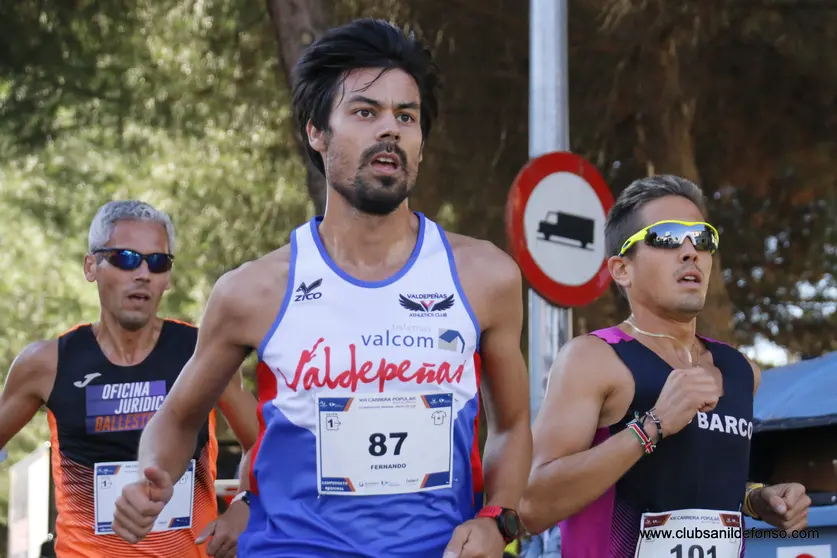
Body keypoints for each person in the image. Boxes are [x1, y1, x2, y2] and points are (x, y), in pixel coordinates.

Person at [111, 17, 533, 558]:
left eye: (407, 116)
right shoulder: (254, 291)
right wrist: (153, 477)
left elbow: (513, 426)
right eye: (365, 112)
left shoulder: (485, 277)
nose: (390, 129)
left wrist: (497, 519)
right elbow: (178, 417)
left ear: (422, 140)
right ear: (316, 131)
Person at [517, 175, 812, 557]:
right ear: (622, 269)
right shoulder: (594, 359)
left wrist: (757, 500)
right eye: (668, 237)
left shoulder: (741, 370)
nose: (690, 252)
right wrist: (652, 426)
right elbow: (532, 506)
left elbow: (689, 484)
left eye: (702, 239)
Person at [0, 200, 259, 558]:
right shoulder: (46, 363)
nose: (142, 273)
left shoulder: (201, 354)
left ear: (167, 277)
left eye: (157, 262)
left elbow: (262, 443)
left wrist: (245, 506)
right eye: (124, 258)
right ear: (91, 266)